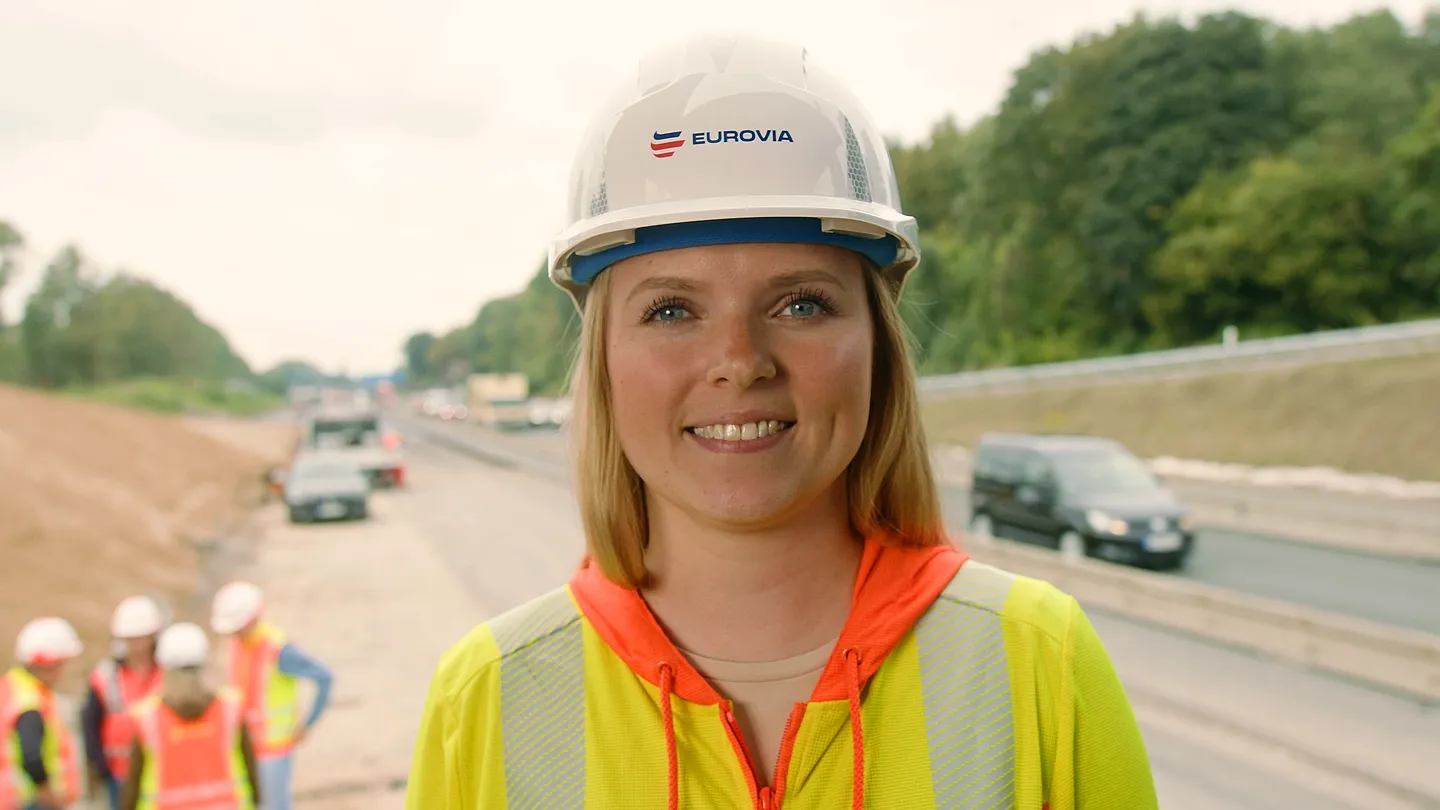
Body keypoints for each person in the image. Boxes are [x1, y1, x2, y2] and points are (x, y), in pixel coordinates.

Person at [405, 33, 1159, 810]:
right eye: (671, 310)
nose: (739, 360)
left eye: (802, 304)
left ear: (878, 345)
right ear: (602, 362)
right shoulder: (487, 698)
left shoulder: (1034, 658)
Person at [209, 581, 333, 810]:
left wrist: (307, 723)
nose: (233, 633)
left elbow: (324, 677)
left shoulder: (279, 650)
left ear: (253, 618)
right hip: (243, 746)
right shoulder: (237, 645)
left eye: (237, 627)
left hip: (272, 752)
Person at [119, 622, 259, 810]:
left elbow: (133, 786)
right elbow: (252, 772)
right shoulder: (230, 709)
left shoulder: (147, 718)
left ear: (163, 666)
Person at [83, 596, 167, 810]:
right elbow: (90, 724)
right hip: (120, 774)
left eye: (142, 637)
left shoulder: (167, 672)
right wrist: (101, 768)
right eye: (131, 638)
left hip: (162, 771)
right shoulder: (105, 676)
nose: (137, 645)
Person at [0, 617, 84, 810]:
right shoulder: (30, 699)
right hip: (30, 801)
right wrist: (47, 792)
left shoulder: (11, 686)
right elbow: (31, 755)